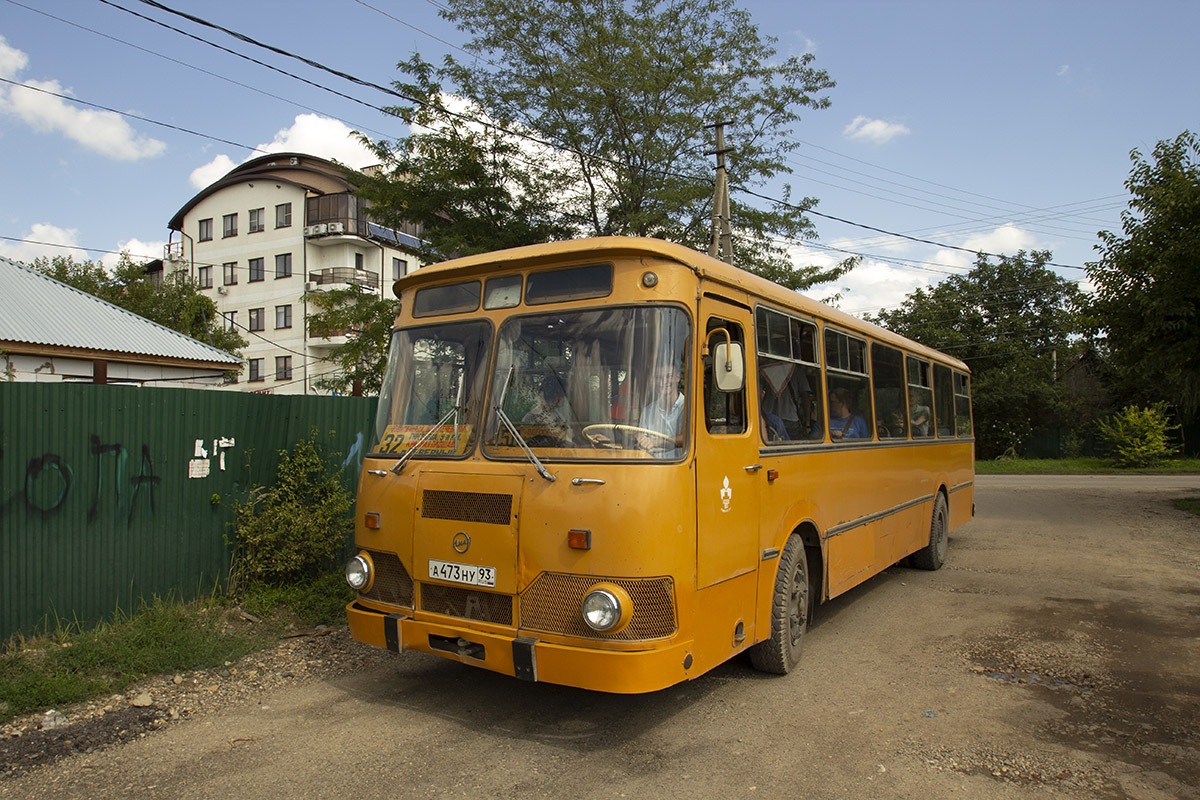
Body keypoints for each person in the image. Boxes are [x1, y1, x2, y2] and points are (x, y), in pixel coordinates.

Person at [637, 362, 686, 457]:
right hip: (653, 469)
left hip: (681, 469)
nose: (662, 381)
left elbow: (687, 438)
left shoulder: (688, 407)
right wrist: (638, 439)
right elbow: (641, 439)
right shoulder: (648, 411)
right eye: (658, 378)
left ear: (677, 377)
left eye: (668, 376)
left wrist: (655, 442)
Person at [522, 377, 572, 443]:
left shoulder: (558, 416)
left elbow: (567, 438)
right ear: (555, 395)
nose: (564, 398)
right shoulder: (532, 417)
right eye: (563, 394)